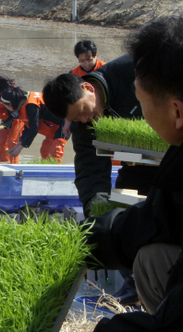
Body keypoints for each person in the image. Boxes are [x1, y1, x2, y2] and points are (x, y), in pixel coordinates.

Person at [43, 14, 183, 332]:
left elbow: (182, 316)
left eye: (143, 103)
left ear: (177, 111)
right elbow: (159, 216)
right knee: (151, 259)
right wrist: (85, 241)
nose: (141, 117)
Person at [43, 56, 157, 217]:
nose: (84, 119)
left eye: (82, 111)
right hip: (138, 167)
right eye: (75, 119)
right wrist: (94, 205)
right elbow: (90, 166)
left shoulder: (132, 70)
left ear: (88, 88)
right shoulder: (83, 124)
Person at [0, 86, 67, 162]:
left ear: (12, 103)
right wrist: (17, 145)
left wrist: (20, 148)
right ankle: (45, 171)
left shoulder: (31, 105)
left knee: (55, 152)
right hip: (53, 124)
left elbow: (34, 128)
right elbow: (28, 125)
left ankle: (55, 172)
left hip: (65, 122)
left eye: (6, 106)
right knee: (45, 151)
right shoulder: (23, 100)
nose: (7, 109)